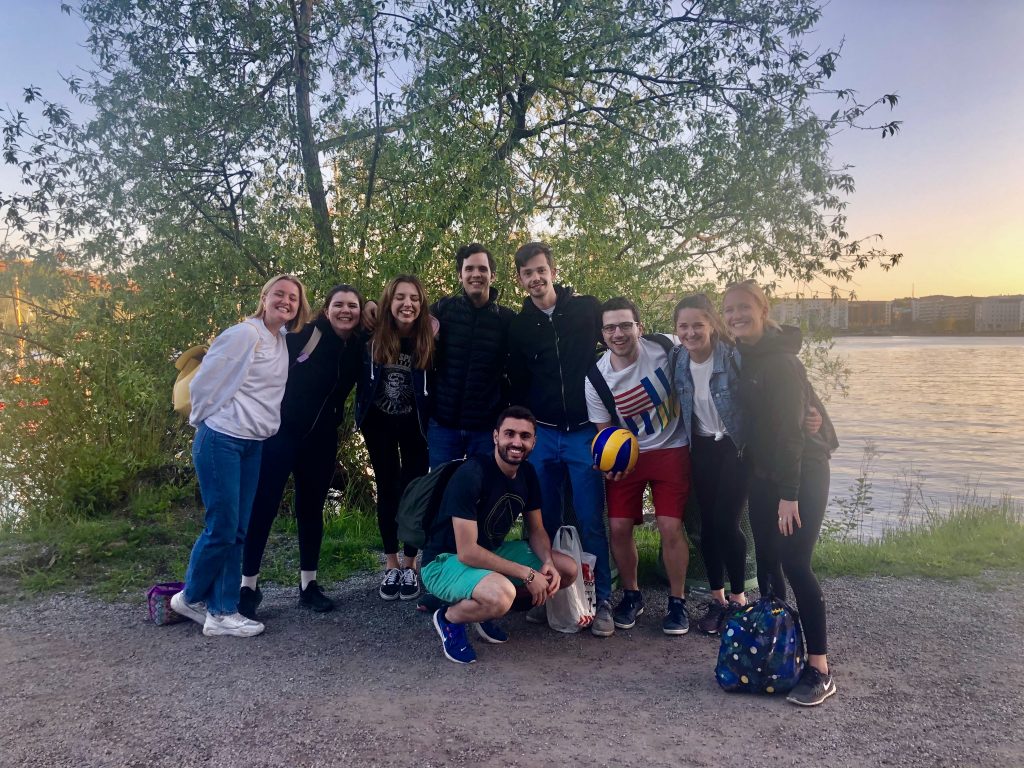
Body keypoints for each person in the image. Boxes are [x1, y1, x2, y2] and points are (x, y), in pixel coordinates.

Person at [171, 274, 310, 638]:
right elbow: (204, 384)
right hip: (222, 440)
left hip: (252, 443)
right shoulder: (244, 334)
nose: (286, 301)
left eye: (293, 298)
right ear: (264, 297)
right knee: (222, 526)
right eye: (279, 294)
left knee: (238, 529)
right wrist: (208, 423)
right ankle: (191, 596)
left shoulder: (278, 339)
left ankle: (221, 611)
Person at [723, 278, 837, 707]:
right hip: (765, 474)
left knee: (795, 563)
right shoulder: (742, 355)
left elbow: (792, 432)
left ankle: (820, 669)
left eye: (743, 308)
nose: (736, 315)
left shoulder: (782, 362)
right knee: (768, 560)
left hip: (801, 474)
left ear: (763, 310)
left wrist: (789, 494)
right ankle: (778, 647)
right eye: (729, 309)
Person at [238, 285, 366, 620]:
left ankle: (308, 585)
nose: (346, 311)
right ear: (326, 309)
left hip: (322, 440)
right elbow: (260, 354)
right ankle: (247, 586)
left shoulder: (358, 346)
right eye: (338, 305)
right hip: (281, 435)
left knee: (311, 511)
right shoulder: (302, 334)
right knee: (262, 508)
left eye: (353, 306)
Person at [506, 241, 614, 637]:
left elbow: (622, 334)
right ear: (520, 279)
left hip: (585, 432)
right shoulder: (519, 326)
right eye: (527, 273)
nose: (535, 278)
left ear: (552, 270)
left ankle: (602, 599)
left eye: (540, 270)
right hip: (544, 435)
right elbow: (516, 382)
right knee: (543, 521)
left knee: (589, 519)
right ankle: (550, 598)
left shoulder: (586, 309)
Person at [421, 406, 578, 664]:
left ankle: (483, 612)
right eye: (510, 434)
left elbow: (537, 530)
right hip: (444, 562)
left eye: (525, 436)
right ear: (495, 437)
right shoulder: (472, 474)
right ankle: (450, 617)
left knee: (567, 568)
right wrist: (527, 574)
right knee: (502, 594)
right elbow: (467, 551)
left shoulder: (527, 473)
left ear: (534, 442)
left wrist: (547, 563)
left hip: (488, 553)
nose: (517, 442)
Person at [585, 297, 692, 635]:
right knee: (617, 528)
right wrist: (607, 464)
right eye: (610, 327)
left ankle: (677, 602)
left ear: (639, 328)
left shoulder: (666, 346)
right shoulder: (596, 378)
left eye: (625, 325)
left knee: (669, 526)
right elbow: (603, 434)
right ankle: (632, 595)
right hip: (628, 456)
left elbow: (705, 363)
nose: (618, 333)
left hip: (672, 448)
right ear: (602, 334)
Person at [672, 294, 750, 635]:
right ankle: (717, 598)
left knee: (726, 523)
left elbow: (769, 387)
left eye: (698, 325)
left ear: (712, 325)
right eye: (683, 326)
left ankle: (738, 597)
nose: (690, 333)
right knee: (705, 525)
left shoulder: (734, 356)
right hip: (701, 447)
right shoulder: (677, 358)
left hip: (736, 448)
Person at [356, 274, 433, 602]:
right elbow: (337, 314)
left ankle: (410, 563)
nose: (408, 304)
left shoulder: (430, 338)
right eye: (400, 297)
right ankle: (390, 562)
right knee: (387, 489)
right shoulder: (372, 336)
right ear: (389, 302)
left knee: (414, 493)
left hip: (416, 426)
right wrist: (367, 304)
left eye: (414, 298)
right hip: (380, 425)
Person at [428, 243, 515, 468]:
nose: (476, 274)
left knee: (484, 494)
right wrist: (370, 306)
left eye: (482, 269)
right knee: (441, 492)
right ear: (460, 275)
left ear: (492, 275)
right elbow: (403, 319)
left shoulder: (506, 320)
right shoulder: (441, 310)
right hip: (443, 426)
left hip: (485, 429)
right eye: (469, 269)